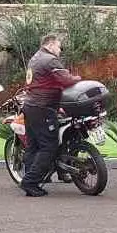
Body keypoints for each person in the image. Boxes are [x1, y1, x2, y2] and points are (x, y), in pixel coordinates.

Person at [20, 34, 81, 197]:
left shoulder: (35, 58)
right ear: (51, 45)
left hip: (30, 106)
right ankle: (30, 182)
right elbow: (66, 80)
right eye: (59, 47)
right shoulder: (50, 60)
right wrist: (78, 78)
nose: (60, 50)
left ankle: (31, 180)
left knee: (33, 146)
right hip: (43, 107)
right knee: (49, 146)